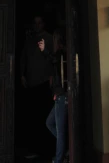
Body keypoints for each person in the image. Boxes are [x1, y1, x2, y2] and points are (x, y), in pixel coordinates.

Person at [20, 16, 54, 159]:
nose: (37, 25)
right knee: (33, 117)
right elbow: (23, 57)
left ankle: (48, 150)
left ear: (43, 24)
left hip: (45, 82)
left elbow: (54, 58)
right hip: (32, 82)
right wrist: (22, 74)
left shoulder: (49, 38)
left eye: (39, 23)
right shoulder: (29, 40)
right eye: (35, 23)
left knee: (45, 117)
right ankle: (35, 150)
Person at [39, 30, 68, 163]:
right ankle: (66, 147)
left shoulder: (61, 54)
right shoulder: (60, 54)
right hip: (59, 95)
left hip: (62, 97)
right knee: (49, 123)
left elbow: (53, 59)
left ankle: (59, 159)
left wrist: (45, 50)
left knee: (59, 131)